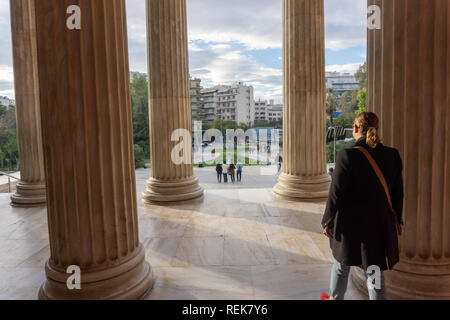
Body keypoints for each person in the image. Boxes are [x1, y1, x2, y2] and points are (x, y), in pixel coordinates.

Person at [321, 112, 404, 300]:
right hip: (378, 227)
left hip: (349, 227)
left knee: (341, 267)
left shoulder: (346, 155)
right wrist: (398, 219)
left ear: (356, 129)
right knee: (374, 273)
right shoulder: (392, 155)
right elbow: (398, 194)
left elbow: (335, 194)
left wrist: (327, 221)